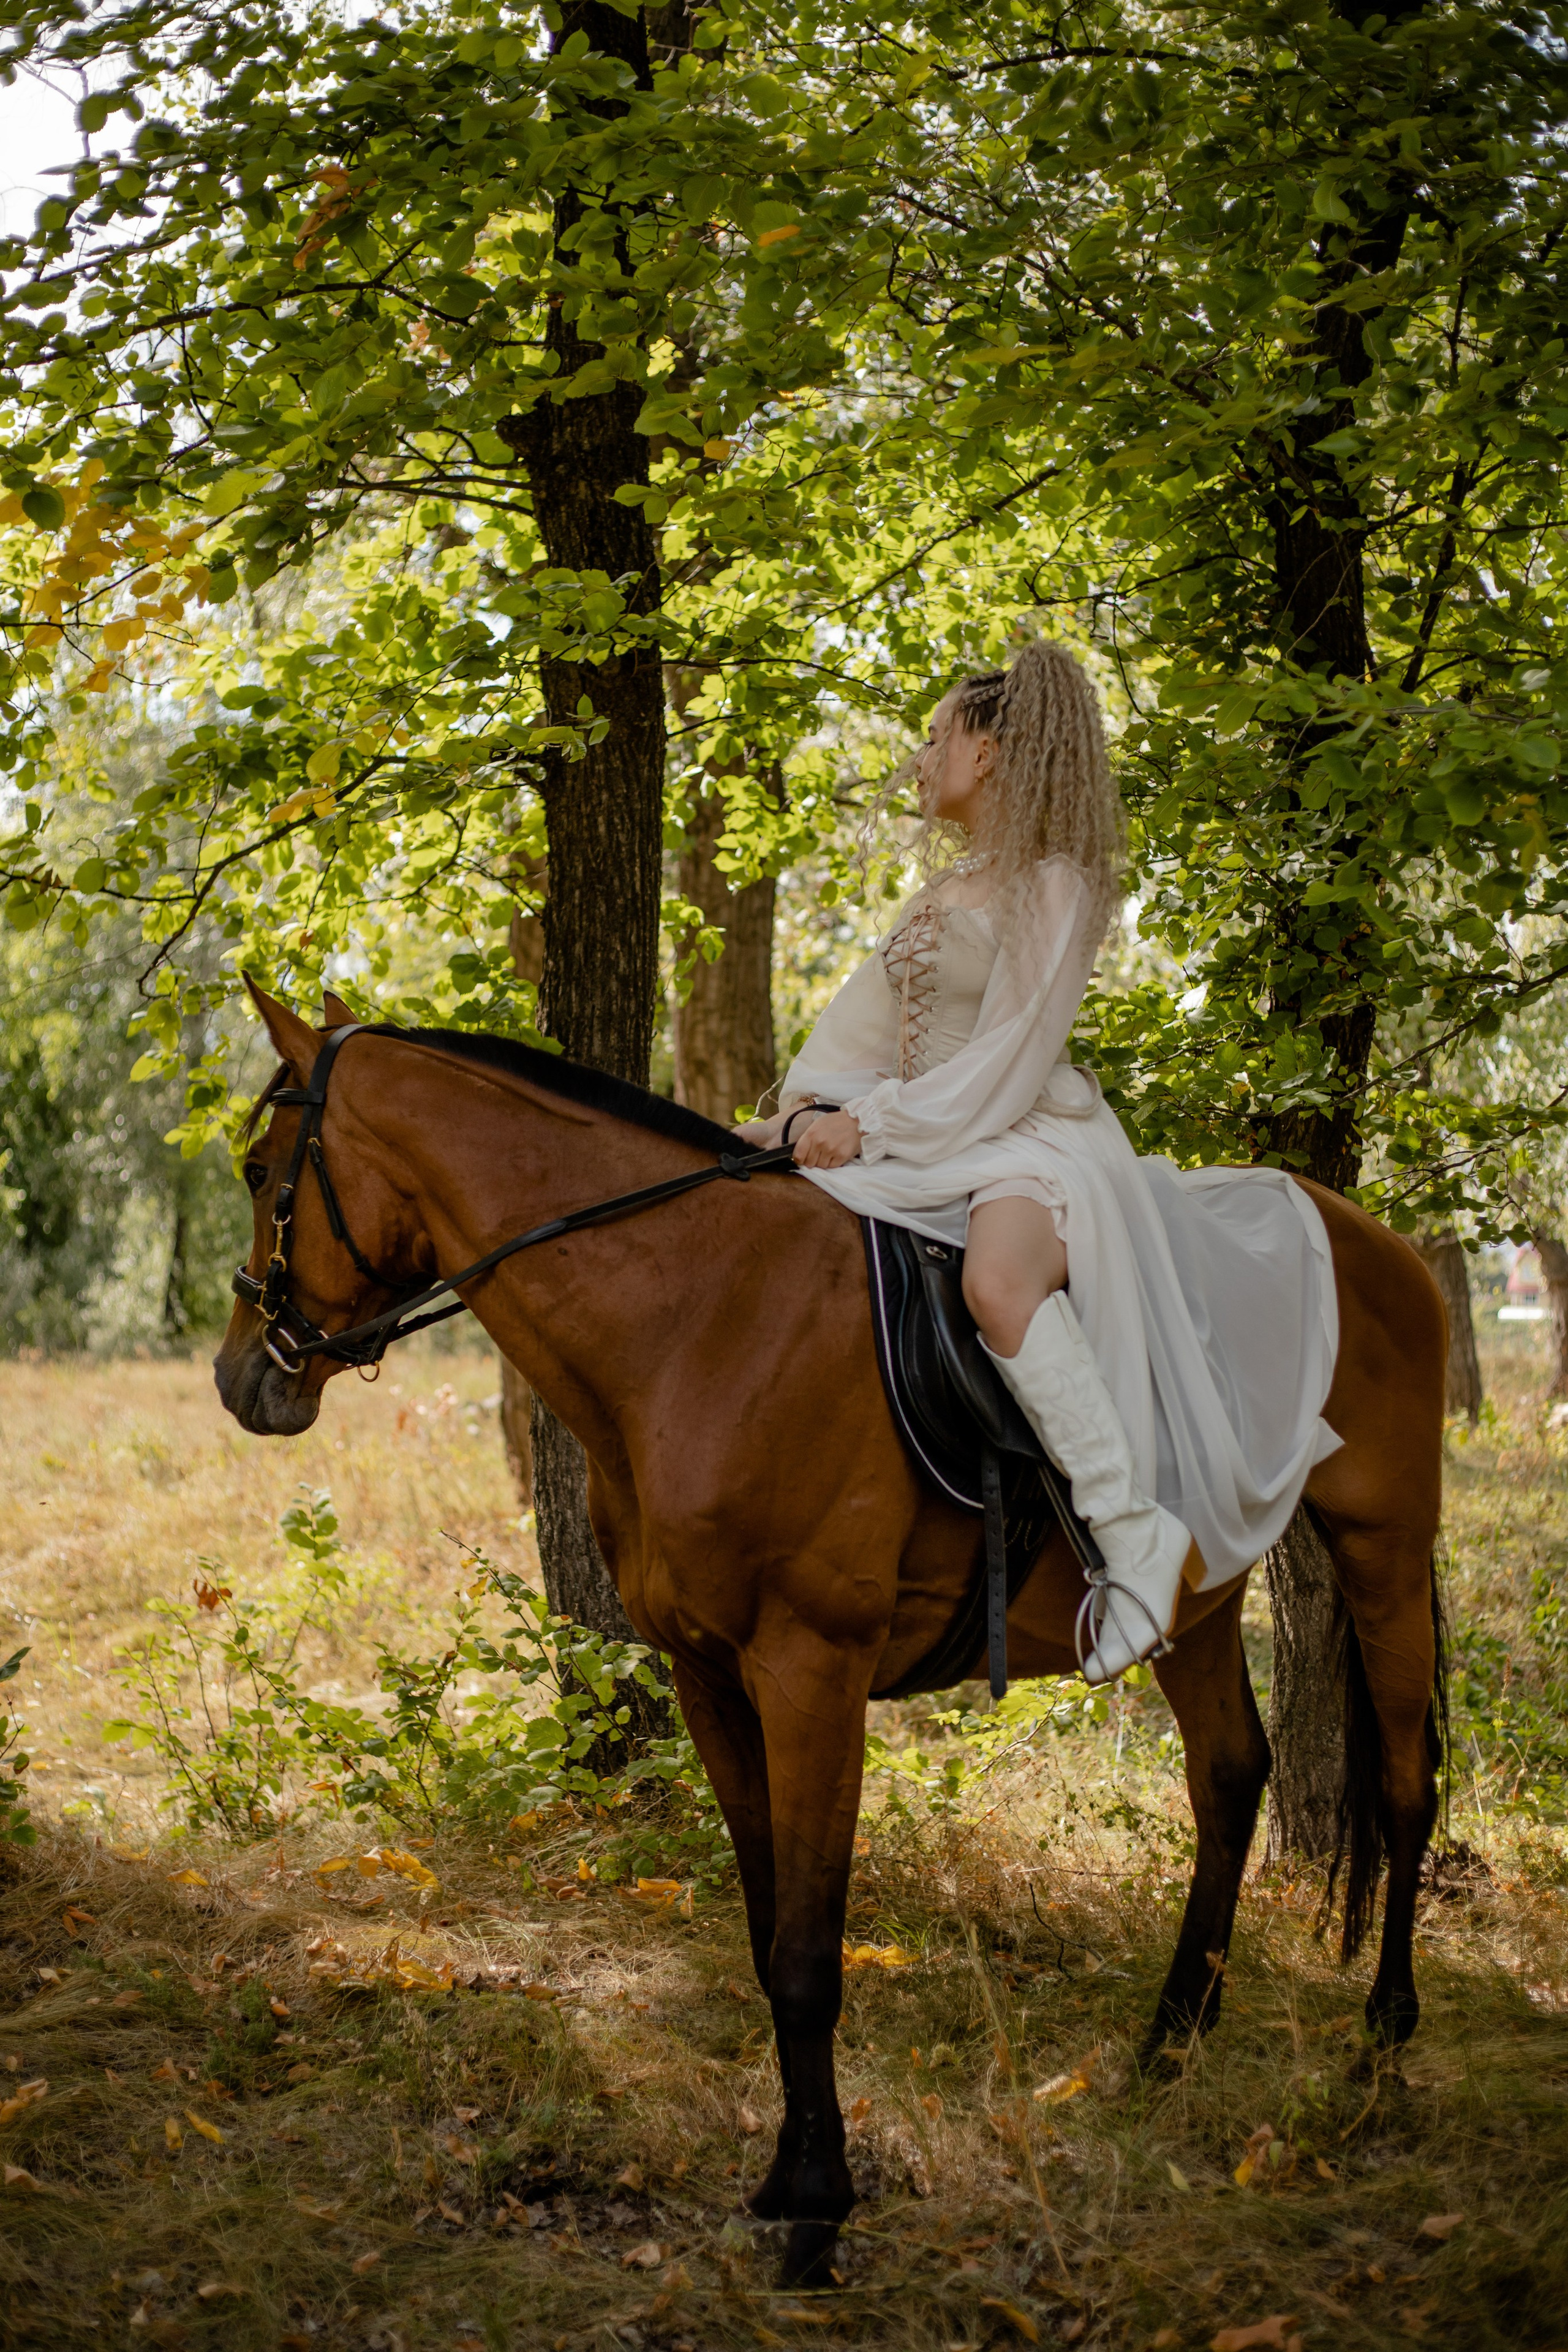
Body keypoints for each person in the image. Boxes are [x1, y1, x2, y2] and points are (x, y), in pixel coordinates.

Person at [742, 641, 1342, 1683]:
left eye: (938, 737)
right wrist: (798, 1116)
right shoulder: (936, 897)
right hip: (920, 1130)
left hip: (1024, 1136)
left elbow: (1010, 1059)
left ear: (995, 752)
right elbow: (859, 1031)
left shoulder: (1055, 887)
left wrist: (870, 1126)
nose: (921, 757)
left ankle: (1131, 1531)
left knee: (998, 1279)